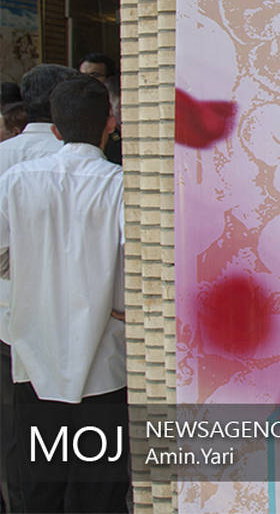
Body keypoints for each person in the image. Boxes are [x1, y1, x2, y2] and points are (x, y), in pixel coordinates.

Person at [0, 75, 128, 512]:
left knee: (40, 492)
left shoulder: (16, 181)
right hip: (105, 363)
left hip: (35, 362)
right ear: (111, 122)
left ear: (54, 129)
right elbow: (140, 267)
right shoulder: (120, 186)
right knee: (100, 495)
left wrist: (26, 274)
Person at [0, 64, 77, 511]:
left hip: (10, 316)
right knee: (73, 425)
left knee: (16, 427)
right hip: (74, 315)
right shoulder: (83, 160)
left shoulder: (3, 157)